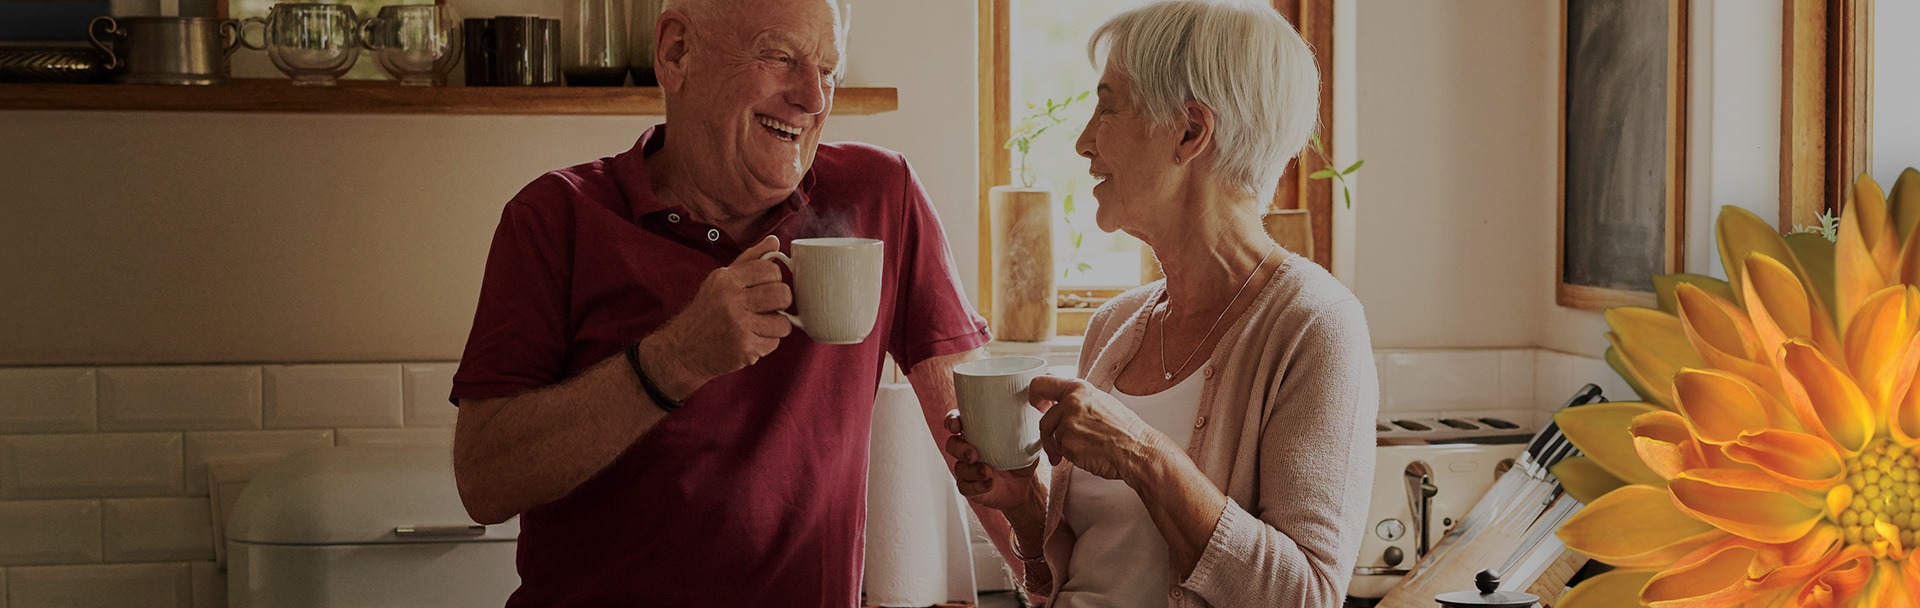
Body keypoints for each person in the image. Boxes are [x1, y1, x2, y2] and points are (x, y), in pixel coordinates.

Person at [447, 0, 1003, 605]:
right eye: (780, 57)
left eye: (829, 71)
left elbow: (982, 434)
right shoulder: (556, 216)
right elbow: (484, 480)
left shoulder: (881, 194)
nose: (814, 99)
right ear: (676, 52)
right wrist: (672, 361)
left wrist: (1046, 573)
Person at [944, 1, 1379, 606]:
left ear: (1190, 132)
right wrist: (1024, 504)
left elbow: (1306, 596)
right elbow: (1094, 571)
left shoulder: (1315, 326)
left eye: (1107, 106)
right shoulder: (1116, 326)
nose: (1083, 142)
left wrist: (1142, 454)